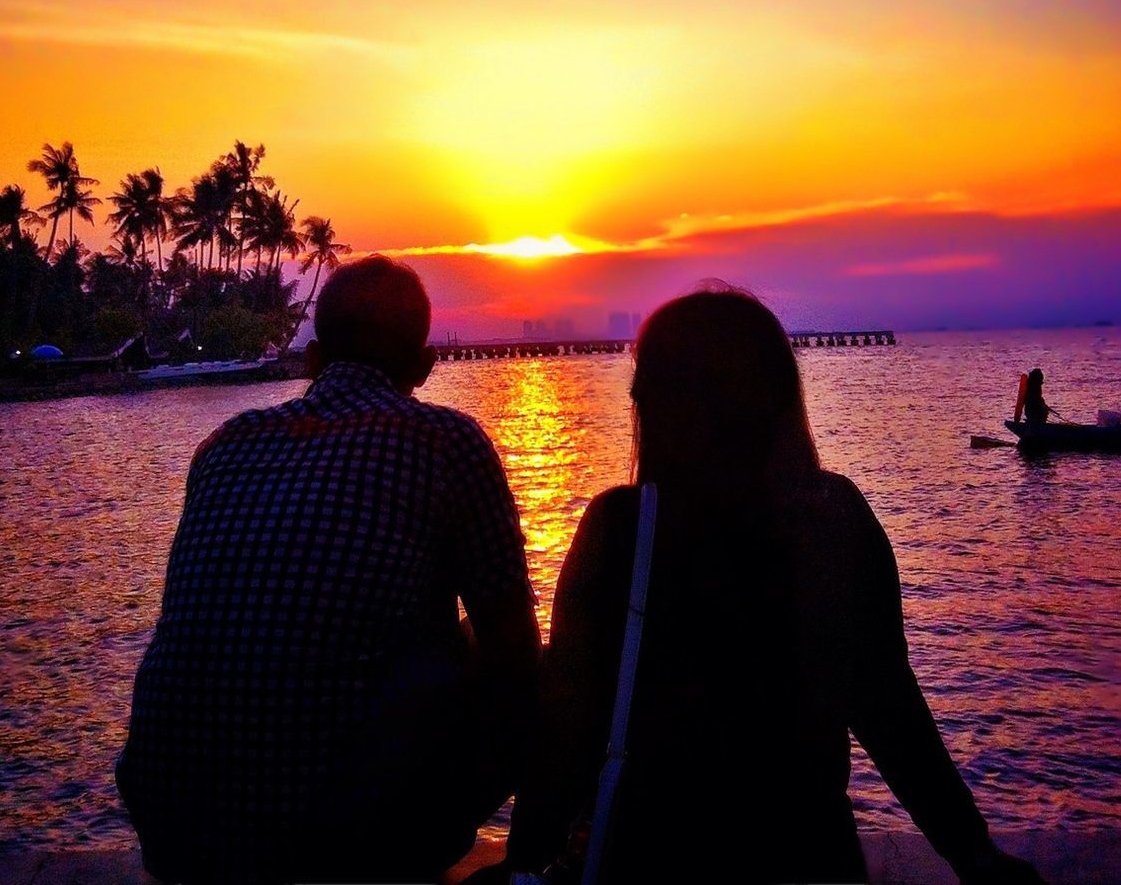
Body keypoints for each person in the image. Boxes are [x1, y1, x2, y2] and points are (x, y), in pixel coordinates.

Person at [501, 287, 1043, 885]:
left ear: (652, 402)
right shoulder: (834, 518)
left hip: (651, 855)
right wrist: (975, 857)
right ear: (779, 396)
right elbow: (891, 713)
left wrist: (522, 862)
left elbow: (567, 729)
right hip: (808, 854)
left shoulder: (621, 527)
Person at [116, 255, 540, 884]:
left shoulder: (225, 446)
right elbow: (516, 655)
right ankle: (529, 861)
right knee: (513, 652)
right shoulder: (444, 442)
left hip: (175, 839)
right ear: (424, 367)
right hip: (346, 845)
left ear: (313, 359)